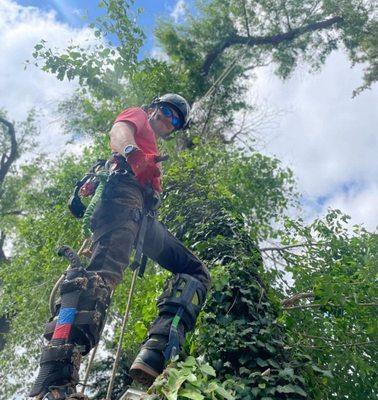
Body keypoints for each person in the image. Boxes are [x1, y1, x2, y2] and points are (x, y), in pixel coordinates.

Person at [29, 94, 211, 400]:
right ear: (154, 108)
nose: (169, 121)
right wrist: (132, 152)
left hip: (140, 218)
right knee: (99, 279)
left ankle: (157, 350)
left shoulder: (154, 149)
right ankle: (54, 383)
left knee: (195, 271)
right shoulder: (138, 116)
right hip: (121, 198)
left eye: (176, 121)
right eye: (167, 112)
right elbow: (119, 131)